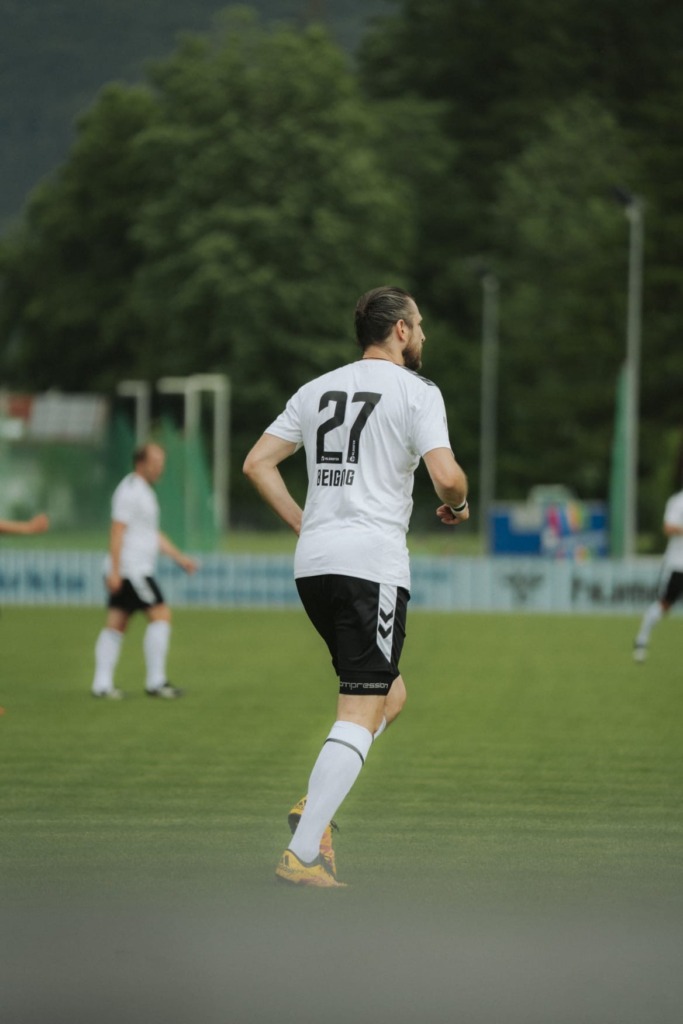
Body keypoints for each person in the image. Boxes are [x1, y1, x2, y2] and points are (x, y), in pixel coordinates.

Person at [243, 285, 469, 887]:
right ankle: (304, 850)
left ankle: (312, 806)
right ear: (398, 330)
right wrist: (460, 501)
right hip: (370, 567)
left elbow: (257, 463)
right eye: (418, 326)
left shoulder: (316, 390)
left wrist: (302, 521)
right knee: (361, 704)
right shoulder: (417, 392)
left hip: (314, 565)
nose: (422, 336)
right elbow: (446, 477)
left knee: (388, 697)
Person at [91, 443, 198, 700]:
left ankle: (102, 684)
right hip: (132, 569)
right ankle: (156, 682)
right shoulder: (130, 491)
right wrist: (115, 571)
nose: (160, 467)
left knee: (117, 623)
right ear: (141, 462)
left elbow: (151, 535)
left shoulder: (143, 491)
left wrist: (179, 558)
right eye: (156, 461)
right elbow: (117, 530)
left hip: (130, 568)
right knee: (161, 615)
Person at [633, 486, 683, 662]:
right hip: (679, 564)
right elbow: (668, 527)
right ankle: (642, 638)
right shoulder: (678, 501)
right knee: (665, 604)